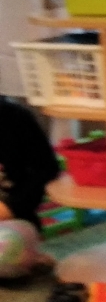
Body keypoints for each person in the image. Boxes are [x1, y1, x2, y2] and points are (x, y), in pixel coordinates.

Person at [0, 96, 59, 279]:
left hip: (11, 221)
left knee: (8, 251)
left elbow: (46, 168)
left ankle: (27, 256)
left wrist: (12, 207)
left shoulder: (15, 117)